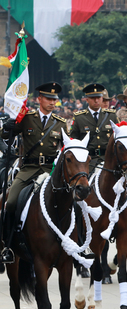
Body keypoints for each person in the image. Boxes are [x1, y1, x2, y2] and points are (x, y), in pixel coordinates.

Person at [1, 82, 67, 262]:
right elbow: (5, 135)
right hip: (28, 169)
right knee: (11, 202)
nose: (52, 103)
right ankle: (7, 244)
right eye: (48, 99)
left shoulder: (60, 123)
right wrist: (8, 125)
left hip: (50, 171)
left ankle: (77, 244)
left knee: (72, 202)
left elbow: (66, 148)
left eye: (55, 99)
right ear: (39, 99)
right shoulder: (27, 118)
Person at [69, 83, 119, 172]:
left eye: (98, 98)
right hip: (88, 162)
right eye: (93, 98)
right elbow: (73, 141)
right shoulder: (79, 118)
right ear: (87, 100)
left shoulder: (111, 116)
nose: (96, 100)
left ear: (102, 98)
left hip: (108, 161)